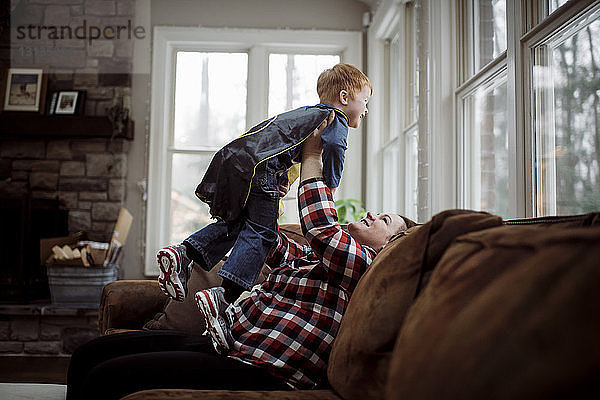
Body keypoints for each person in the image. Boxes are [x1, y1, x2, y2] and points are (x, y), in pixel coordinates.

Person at [66, 114, 415, 400]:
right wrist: (264, 185)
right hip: (228, 342)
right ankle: (184, 256)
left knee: (103, 377)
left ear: (392, 245)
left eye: (383, 220)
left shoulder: (366, 269)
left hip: (261, 367)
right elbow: (265, 238)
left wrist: (312, 157)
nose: (371, 215)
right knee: (89, 355)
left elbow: (322, 229)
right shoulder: (315, 258)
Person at [157, 63, 372, 307]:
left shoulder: (307, 113)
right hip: (261, 169)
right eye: (365, 100)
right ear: (344, 97)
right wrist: (331, 185)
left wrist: (279, 180)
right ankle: (224, 296)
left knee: (240, 224)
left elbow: (278, 145)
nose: (366, 109)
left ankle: (184, 254)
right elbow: (335, 147)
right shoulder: (335, 119)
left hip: (241, 162)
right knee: (263, 232)